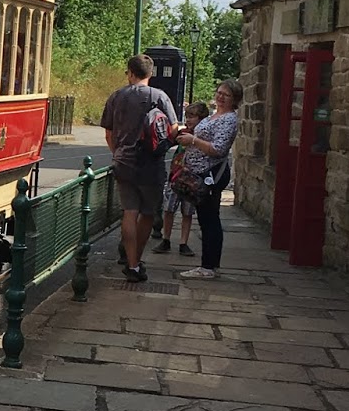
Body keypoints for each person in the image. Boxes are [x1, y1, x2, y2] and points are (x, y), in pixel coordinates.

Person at [100, 54, 180, 283]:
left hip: (124, 162)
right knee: (147, 213)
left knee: (129, 212)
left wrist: (117, 153)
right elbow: (173, 131)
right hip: (151, 163)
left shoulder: (116, 96)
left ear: (130, 73)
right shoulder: (159, 96)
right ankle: (136, 261)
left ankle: (131, 262)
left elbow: (108, 133)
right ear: (150, 74)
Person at [177, 79, 242, 281]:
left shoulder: (229, 119)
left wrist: (193, 141)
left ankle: (208, 266)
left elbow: (218, 149)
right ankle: (210, 264)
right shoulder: (216, 116)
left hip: (210, 174)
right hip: (200, 172)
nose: (221, 97)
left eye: (226, 95)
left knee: (209, 219)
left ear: (235, 100)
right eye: (219, 92)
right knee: (206, 218)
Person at [154, 100, 209, 256]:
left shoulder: (201, 135)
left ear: (201, 119)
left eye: (193, 117)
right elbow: (167, 141)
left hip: (192, 178)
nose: (188, 120)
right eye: (187, 116)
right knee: (169, 209)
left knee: (187, 212)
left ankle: (183, 242)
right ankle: (166, 239)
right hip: (176, 176)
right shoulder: (182, 132)